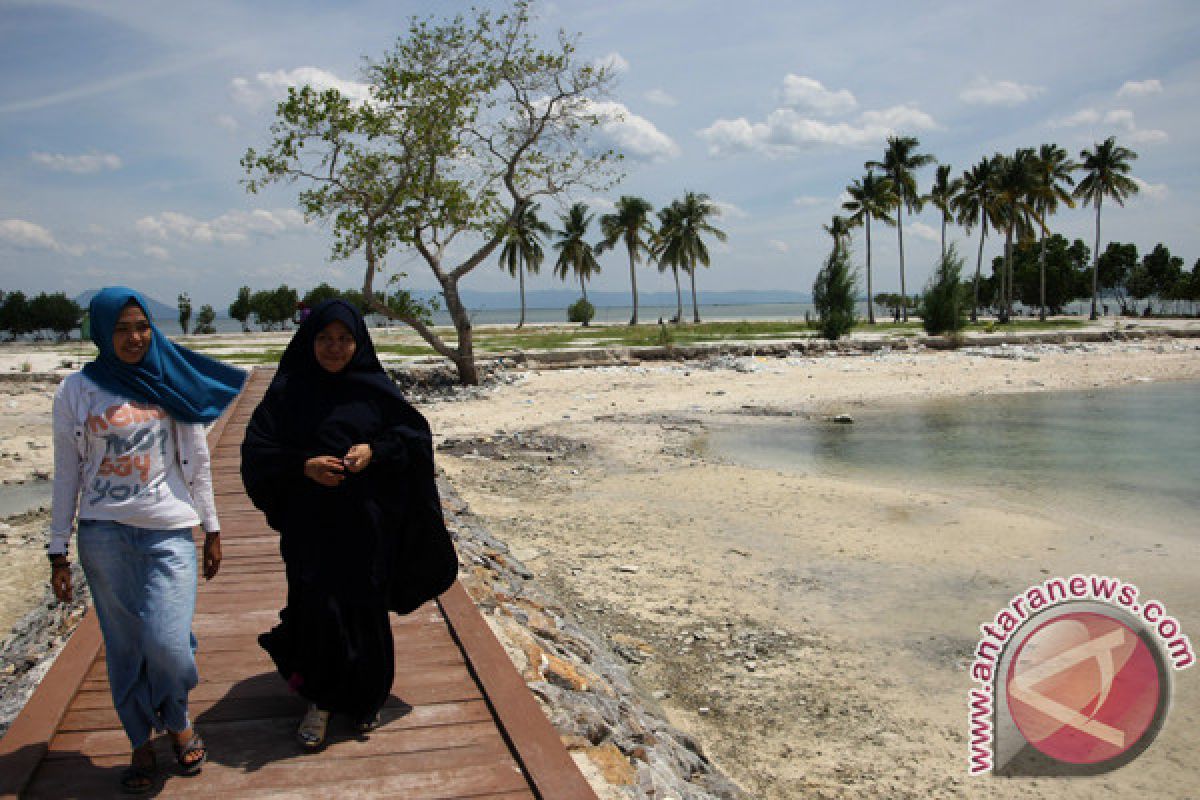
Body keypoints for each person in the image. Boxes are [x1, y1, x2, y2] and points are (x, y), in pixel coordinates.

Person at [50, 287, 245, 793]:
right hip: (103, 534)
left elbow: (198, 464)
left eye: (141, 326)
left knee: (169, 644)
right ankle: (141, 737)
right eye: (121, 328)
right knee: (124, 645)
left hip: (169, 528)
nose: (134, 337)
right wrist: (57, 550)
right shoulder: (76, 391)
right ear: (100, 332)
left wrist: (212, 527)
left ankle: (176, 717)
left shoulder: (168, 379)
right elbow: (66, 473)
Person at [240, 299, 457, 750]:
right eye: (324, 338)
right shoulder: (287, 392)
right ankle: (319, 701)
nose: (334, 348)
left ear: (358, 343)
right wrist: (304, 465)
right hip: (310, 527)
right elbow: (258, 452)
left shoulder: (374, 389)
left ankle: (365, 699)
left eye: (344, 339)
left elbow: (413, 438)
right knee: (317, 609)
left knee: (364, 612)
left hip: (367, 527)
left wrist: (373, 452)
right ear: (309, 341)